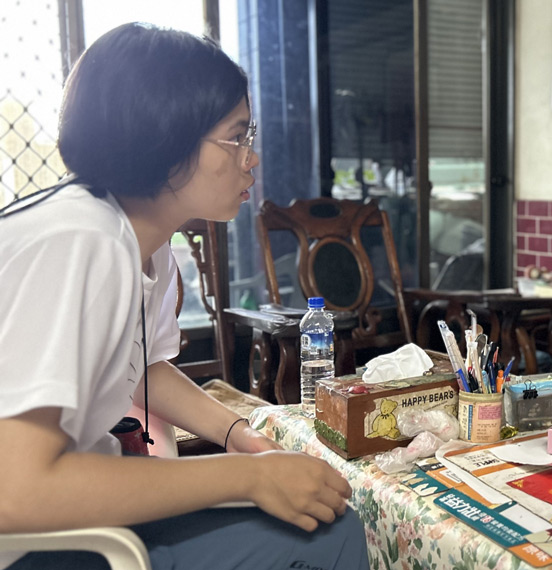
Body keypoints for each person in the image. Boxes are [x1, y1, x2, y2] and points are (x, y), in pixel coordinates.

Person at [0, 23, 369, 570]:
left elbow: (142, 369)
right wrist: (247, 476)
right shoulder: (80, 242)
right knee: (327, 536)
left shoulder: (144, 246)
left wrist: (237, 435)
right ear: (164, 136)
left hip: (72, 511)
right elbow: (15, 490)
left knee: (326, 521)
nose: (252, 158)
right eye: (236, 137)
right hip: (34, 543)